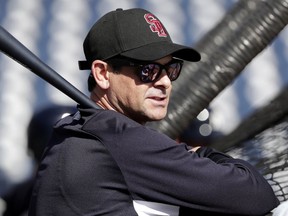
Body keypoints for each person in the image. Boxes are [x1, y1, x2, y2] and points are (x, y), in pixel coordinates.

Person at [28, 8, 279, 216]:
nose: (165, 82)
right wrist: (201, 153)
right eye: (147, 70)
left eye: (171, 69)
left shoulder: (72, 134)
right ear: (102, 73)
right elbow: (256, 194)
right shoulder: (116, 137)